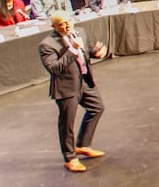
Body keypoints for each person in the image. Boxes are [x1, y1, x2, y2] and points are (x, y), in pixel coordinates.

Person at [38, 11, 108, 172]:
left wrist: (97, 53)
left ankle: (83, 144)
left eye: (68, 21)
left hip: (84, 81)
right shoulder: (47, 45)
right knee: (67, 123)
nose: (66, 25)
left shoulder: (80, 32)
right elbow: (54, 68)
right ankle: (69, 157)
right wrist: (71, 50)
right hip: (66, 87)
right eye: (61, 24)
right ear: (54, 27)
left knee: (97, 108)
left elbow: (86, 53)